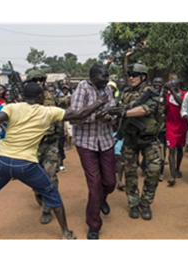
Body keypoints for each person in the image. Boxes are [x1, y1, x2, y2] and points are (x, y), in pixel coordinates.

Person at [0, 82, 108, 240]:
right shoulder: (49, 112)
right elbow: (79, 114)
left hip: (1, 162)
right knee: (51, 194)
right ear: (40, 97)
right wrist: (99, 102)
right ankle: (65, 233)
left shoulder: (11, 107)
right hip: (26, 165)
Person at [109, 62, 165, 221]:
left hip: (149, 138)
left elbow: (146, 109)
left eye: (134, 75)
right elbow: (118, 107)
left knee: (154, 170)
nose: (131, 78)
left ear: (143, 77)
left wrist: (124, 113)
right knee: (130, 172)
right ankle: (133, 203)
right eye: (129, 75)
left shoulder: (151, 93)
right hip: (130, 138)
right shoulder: (125, 93)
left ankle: (146, 203)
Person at [71, 64, 117, 239]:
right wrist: (97, 114)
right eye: (104, 76)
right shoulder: (82, 88)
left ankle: (102, 199)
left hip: (106, 140)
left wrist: (110, 116)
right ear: (93, 77)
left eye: (108, 76)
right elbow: (75, 117)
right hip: (86, 143)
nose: (107, 79)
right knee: (94, 184)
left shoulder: (108, 90)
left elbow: (111, 112)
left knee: (110, 182)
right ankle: (94, 225)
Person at [25, 70, 65, 225]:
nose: (40, 83)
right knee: (34, 177)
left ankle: (47, 208)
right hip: (33, 144)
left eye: (41, 80)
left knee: (50, 176)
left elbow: (68, 103)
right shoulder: (24, 102)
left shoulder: (53, 97)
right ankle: (41, 197)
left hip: (50, 143)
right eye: (36, 80)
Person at [163, 78, 188, 186]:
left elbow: (181, 103)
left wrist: (172, 91)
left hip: (182, 125)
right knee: (171, 150)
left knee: (180, 148)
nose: (172, 85)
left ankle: (178, 168)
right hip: (170, 125)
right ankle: (172, 174)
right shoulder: (167, 95)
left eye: (174, 84)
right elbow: (164, 109)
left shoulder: (185, 94)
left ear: (179, 84)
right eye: (171, 83)